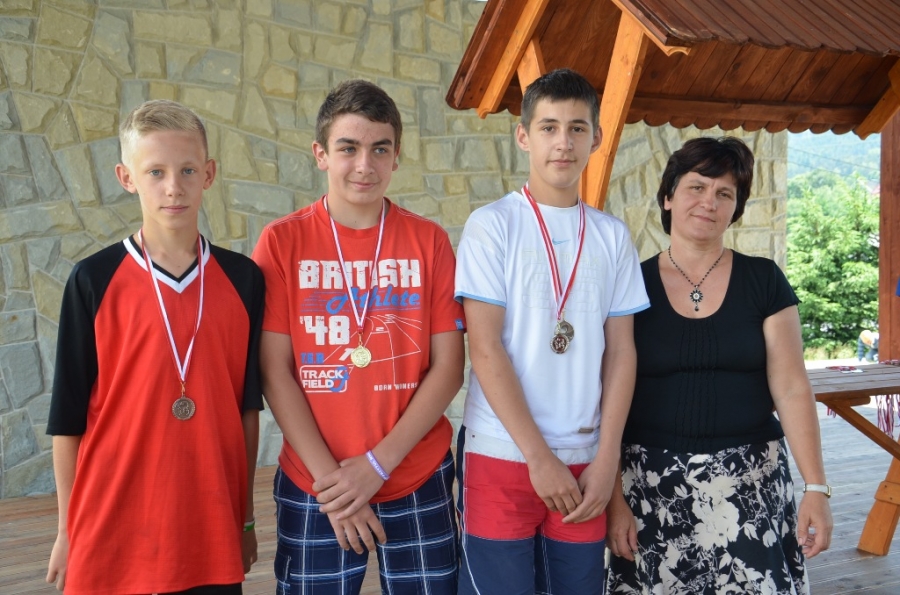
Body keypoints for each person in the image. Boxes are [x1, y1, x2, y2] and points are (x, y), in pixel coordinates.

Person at [252, 79, 465, 594]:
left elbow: (449, 368)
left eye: (380, 149)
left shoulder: (429, 241)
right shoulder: (282, 242)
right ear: (321, 154)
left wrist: (375, 466)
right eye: (348, 148)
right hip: (315, 480)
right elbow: (274, 371)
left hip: (414, 472)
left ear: (397, 157)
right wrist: (336, 485)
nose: (365, 165)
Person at [45, 99, 264, 594]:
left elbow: (247, 411)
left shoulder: (242, 279)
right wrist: (65, 530)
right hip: (111, 524)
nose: (173, 187)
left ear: (209, 174)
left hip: (208, 525)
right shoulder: (93, 280)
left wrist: (246, 519)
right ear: (126, 177)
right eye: (155, 172)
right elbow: (68, 418)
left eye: (187, 170)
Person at [606, 137, 833, 594]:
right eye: (697, 187)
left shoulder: (764, 280)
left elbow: (791, 387)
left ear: (736, 209)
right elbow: (607, 393)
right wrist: (614, 500)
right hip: (652, 486)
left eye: (724, 193)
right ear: (668, 197)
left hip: (753, 483)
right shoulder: (629, 283)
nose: (709, 202)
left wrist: (816, 487)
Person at [454, 68, 650, 594]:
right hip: (500, 452)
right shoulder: (492, 225)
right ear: (524, 136)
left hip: (586, 461)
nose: (563, 142)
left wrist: (607, 461)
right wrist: (538, 459)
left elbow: (621, 353)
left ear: (596, 137)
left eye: (577, 128)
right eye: (549, 127)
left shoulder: (611, 236)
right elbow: (485, 348)